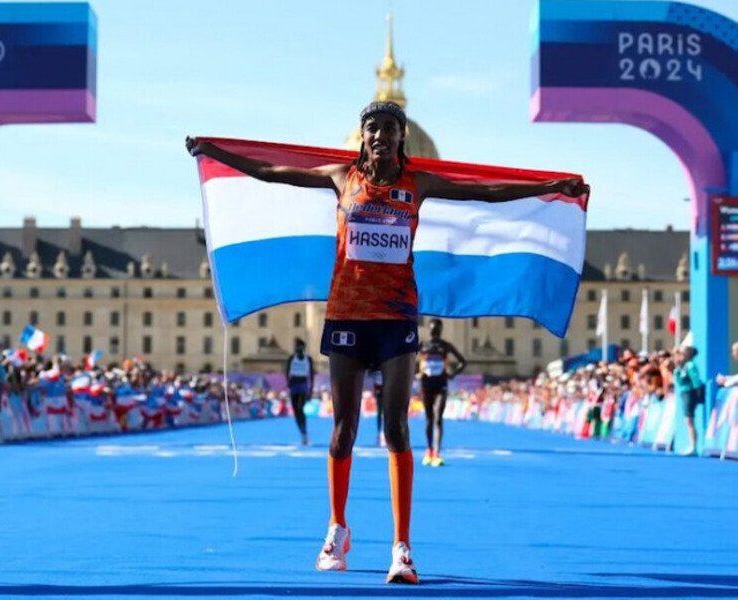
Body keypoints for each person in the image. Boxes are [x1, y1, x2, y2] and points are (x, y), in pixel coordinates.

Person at [186, 100, 586, 584]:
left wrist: (551, 188)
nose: (379, 136)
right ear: (362, 136)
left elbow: (490, 193)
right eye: (372, 128)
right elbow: (273, 171)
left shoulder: (419, 185)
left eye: (388, 129)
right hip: (348, 315)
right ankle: (336, 528)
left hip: (397, 317)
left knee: (397, 428)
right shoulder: (340, 177)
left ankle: (402, 547)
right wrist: (217, 154)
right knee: (344, 431)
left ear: (401, 137)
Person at [418, 318, 466, 467]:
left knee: (438, 417)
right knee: (429, 419)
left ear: (441, 330)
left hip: (441, 385)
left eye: (437, 330)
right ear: (428, 329)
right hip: (426, 384)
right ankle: (429, 450)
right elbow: (409, 359)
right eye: (433, 330)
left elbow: (462, 362)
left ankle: (437, 453)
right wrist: (415, 372)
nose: (435, 333)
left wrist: (452, 374)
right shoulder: (423, 345)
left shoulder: (445, 346)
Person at [673, 345, 704, 456]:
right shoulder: (681, 367)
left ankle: (693, 446)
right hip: (684, 392)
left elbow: (695, 380)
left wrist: (698, 393)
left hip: (689, 392)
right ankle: (691, 444)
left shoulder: (690, 366)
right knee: (688, 420)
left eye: (682, 354)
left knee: (689, 420)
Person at [286, 339, 315, 445]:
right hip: (294, 384)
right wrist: (288, 383)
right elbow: (287, 371)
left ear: (303, 348)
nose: (298, 349)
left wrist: (311, 389)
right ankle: (302, 432)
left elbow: (311, 375)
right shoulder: (291, 358)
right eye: (297, 347)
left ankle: (304, 432)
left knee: (300, 408)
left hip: (303, 384)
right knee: (295, 411)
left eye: (300, 347)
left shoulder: (308, 359)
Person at [370, 369, 385, 447]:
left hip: (386, 388)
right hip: (379, 389)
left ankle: (385, 433)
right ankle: (379, 432)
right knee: (379, 412)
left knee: (386, 412)